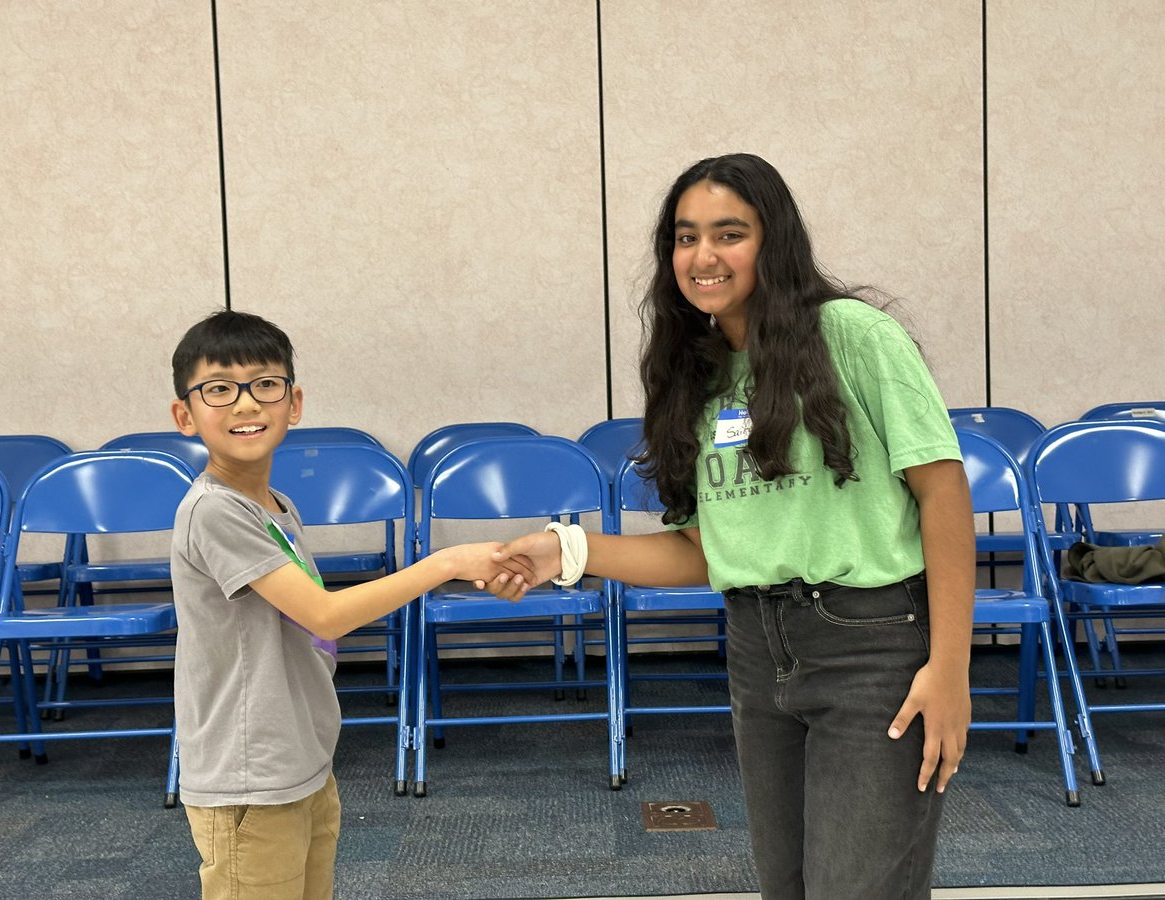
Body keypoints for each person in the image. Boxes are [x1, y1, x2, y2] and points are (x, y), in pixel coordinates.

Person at [487, 154, 975, 899]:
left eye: (728, 233)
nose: (703, 256)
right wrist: (567, 548)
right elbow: (702, 552)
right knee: (788, 887)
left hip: (871, 645)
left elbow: (944, 497)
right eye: (685, 238)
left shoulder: (853, 335)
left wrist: (951, 669)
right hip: (757, 648)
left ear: (772, 240)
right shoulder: (697, 373)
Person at [168, 310, 530, 900]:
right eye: (218, 390)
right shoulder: (214, 511)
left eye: (265, 385)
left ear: (294, 403)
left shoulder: (274, 505)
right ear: (185, 415)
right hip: (249, 776)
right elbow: (325, 615)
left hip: (297, 757)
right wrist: (446, 563)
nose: (244, 404)